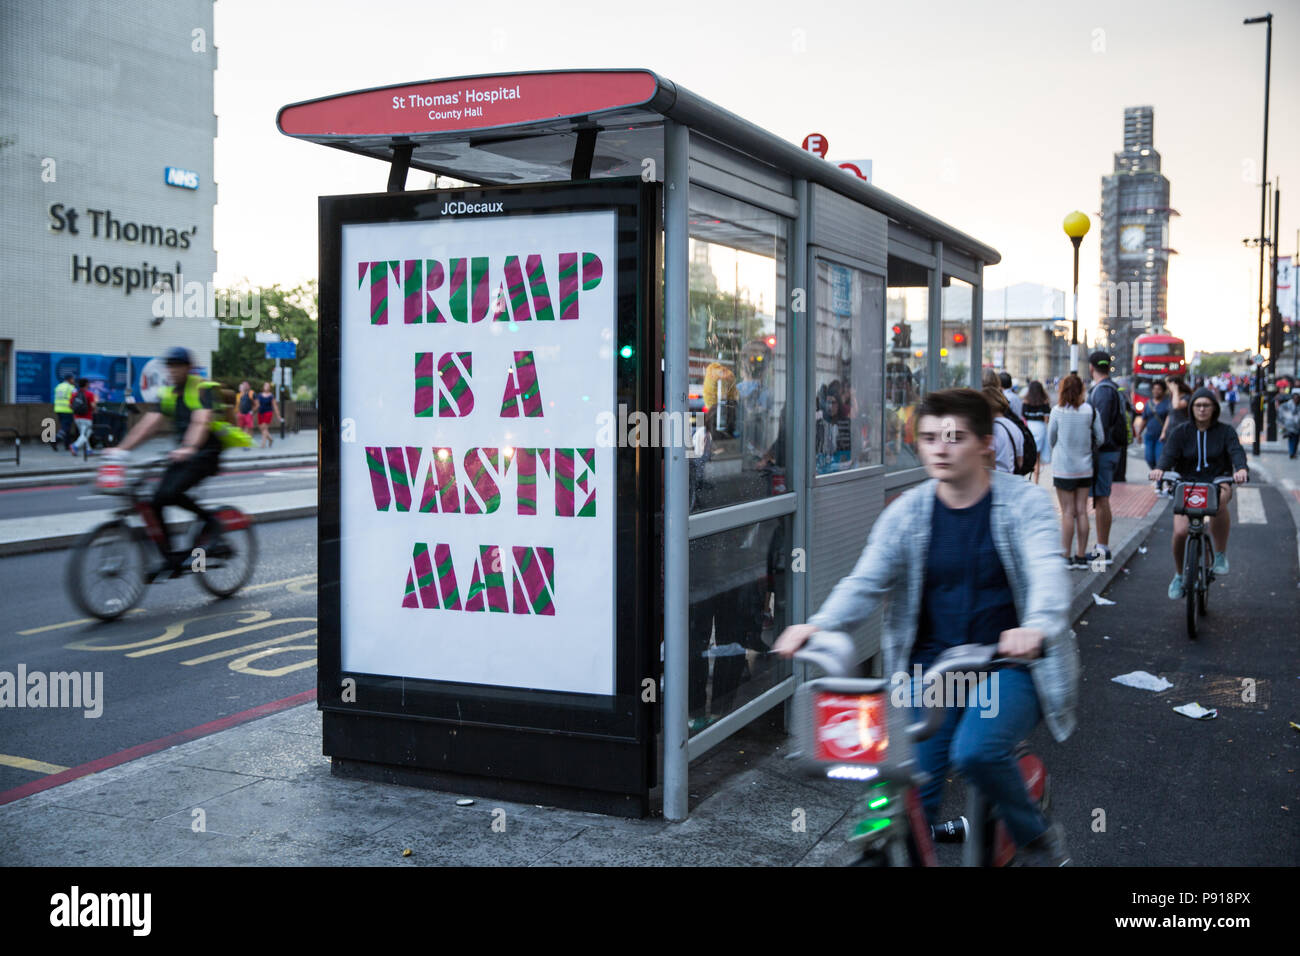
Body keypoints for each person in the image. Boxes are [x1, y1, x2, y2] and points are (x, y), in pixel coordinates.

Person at [774, 388, 1077, 866]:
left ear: (985, 445)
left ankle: (1035, 829)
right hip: (929, 675)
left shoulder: (1025, 505)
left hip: (1008, 666)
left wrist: (1035, 627)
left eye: (953, 437)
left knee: (976, 752)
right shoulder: (908, 512)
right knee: (905, 789)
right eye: (929, 437)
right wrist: (819, 625)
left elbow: (1047, 572)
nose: (939, 447)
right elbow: (866, 580)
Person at [109, 348, 249, 575]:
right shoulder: (169, 393)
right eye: (170, 366)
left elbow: (201, 421)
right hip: (185, 453)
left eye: (177, 366)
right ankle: (170, 557)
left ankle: (212, 522)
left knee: (168, 494)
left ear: (188, 368)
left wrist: (190, 447)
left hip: (206, 453)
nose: (172, 370)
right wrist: (121, 449)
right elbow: (148, 424)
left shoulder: (202, 388)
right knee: (155, 500)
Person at [1150, 388, 1249, 598]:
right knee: (1180, 532)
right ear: (1192, 408)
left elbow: (1236, 452)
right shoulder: (1180, 432)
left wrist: (1241, 469)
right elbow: (1168, 455)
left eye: (1206, 405)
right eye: (1198, 405)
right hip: (1187, 484)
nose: (1202, 409)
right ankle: (1178, 575)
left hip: (1217, 481)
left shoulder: (1226, 431)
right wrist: (1160, 469)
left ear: (1214, 408)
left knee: (1219, 502)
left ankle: (1220, 554)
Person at [1047, 374, 1104, 569]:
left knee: (1067, 513)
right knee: (1082, 512)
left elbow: (1051, 438)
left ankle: (1066, 556)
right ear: (1082, 389)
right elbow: (1101, 438)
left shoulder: (1057, 411)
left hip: (1063, 468)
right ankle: (1081, 556)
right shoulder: (1090, 411)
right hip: (1085, 468)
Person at [1085, 351, 1124, 566]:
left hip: (1104, 452)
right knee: (1101, 499)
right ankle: (1102, 547)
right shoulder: (1112, 388)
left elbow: (1099, 426)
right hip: (1110, 451)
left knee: (1101, 499)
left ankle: (1102, 551)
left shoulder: (1101, 392)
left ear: (1091, 367)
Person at [984, 385, 1023, 474]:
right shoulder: (1014, 427)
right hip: (1011, 478)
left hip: (996, 479)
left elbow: (989, 463)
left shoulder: (992, 429)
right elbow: (1020, 461)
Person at [1134, 379, 1170, 473]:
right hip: (1149, 436)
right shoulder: (1148, 403)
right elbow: (1144, 419)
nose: (1156, 391)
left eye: (1159, 389)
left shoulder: (1167, 404)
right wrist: (1138, 433)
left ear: (1163, 391)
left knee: (1159, 459)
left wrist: (1164, 432)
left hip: (1161, 438)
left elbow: (1170, 419)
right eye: (1154, 389)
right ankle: (1157, 473)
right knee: (1149, 458)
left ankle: (1158, 483)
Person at [1021, 381, 1052, 484]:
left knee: (1028, 453)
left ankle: (1026, 480)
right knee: (1037, 458)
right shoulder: (1044, 401)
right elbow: (1047, 418)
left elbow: (1023, 417)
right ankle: (1036, 482)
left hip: (1029, 427)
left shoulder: (1026, 401)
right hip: (1040, 427)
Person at [69, 377, 96, 456]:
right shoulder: (89, 394)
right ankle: (75, 446)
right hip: (87, 418)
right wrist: (94, 409)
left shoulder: (75, 394)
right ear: (86, 384)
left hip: (77, 417)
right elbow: (93, 405)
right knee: (86, 434)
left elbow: (70, 406)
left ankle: (88, 450)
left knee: (83, 434)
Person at [53, 372, 76, 452]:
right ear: (69, 379)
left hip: (58, 409)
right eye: (73, 379)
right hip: (67, 410)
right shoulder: (71, 387)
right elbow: (75, 397)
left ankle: (67, 445)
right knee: (65, 428)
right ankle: (56, 440)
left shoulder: (58, 386)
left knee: (66, 428)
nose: (74, 380)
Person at [256, 381, 280, 448]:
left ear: (269, 388)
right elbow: (257, 404)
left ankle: (263, 444)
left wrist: (278, 415)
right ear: (263, 387)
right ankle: (270, 439)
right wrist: (252, 411)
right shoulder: (260, 395)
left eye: (267, 386)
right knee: (261, 428)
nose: (266, 387)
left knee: (264, 427)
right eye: (265, 385)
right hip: (260, 412)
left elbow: (275, 406)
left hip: (268, 412)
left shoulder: (271, 396)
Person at [1277, 390, 1300, 459]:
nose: (1296, 399)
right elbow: (1281, 413)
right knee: (1291, 439)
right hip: (1290, 425)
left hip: (1297, 426)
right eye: (1295, 398)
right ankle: (1291, 453)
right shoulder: (1287, 405)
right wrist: (1283, 424)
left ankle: (1293, 452)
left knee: (1296, 440)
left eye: (1297, 398)